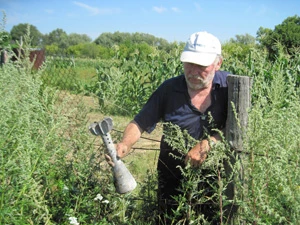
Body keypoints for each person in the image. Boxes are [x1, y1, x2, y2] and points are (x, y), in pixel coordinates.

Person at [107, 31, 229, 224]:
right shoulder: (169, 89)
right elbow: (139, 122)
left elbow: (240, 128)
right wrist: (124, 144)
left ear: (218, 63)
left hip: (219, 183)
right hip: (172, 179)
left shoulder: (230, 88)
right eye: (189, 63)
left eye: (202, 65)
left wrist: (210, 143)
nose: (194, 71)